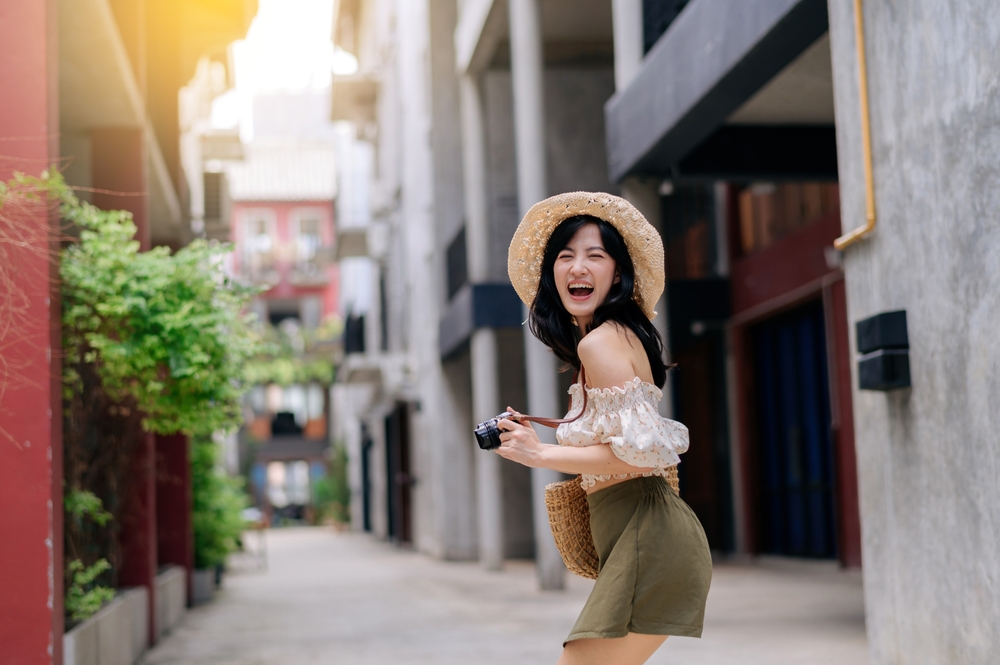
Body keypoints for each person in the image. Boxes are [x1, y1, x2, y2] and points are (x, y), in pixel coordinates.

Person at [496, 192, 712, 665]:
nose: (578, 267)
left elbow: (638, 455)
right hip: (640, 533)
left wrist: (541, 454)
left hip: (649, 533)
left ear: (618, 272)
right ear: (551, 273)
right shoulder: (612, 339)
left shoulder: (601, 343)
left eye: (596, 255)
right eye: (566, 256)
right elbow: (627, 439)